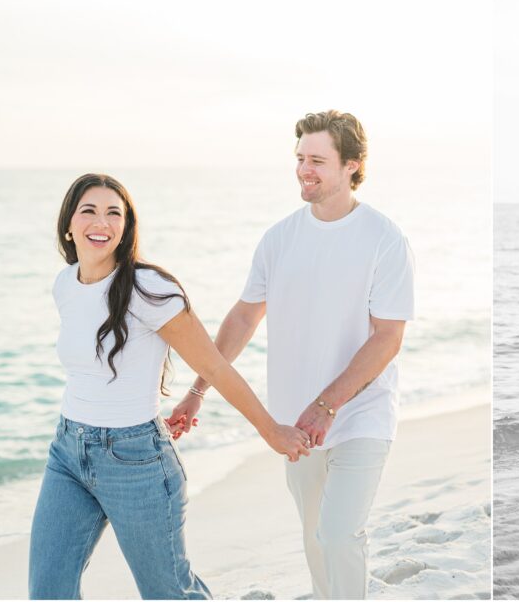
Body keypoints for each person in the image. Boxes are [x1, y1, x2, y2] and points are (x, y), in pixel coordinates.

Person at [168, 110, 415, 600]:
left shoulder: (384, 239)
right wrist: (197, 391)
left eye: (318, 160)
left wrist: (327, 404)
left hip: (360, 412)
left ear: (352, 165)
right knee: (313, 538)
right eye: (300, 158)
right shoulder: (279, 239)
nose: (305, 169)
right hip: (292, 423)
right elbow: (242, 320)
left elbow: (387, 337)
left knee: (339, 534)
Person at [29, 174, 311, 600]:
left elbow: (214, 367)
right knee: (48, 590)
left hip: (136, 462)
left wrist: (270, 430)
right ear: (69, 224)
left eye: (114, 213)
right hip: (67, 453)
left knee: (169, 593)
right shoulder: (65, 285)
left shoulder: (150, 289)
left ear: (126, 229)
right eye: (88, 210)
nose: (100, 222)